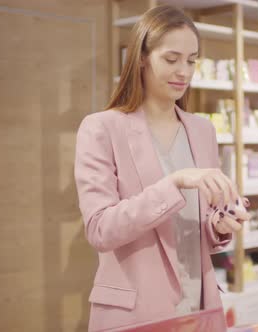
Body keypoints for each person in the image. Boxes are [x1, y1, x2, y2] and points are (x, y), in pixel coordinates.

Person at [74, 5, 249, 331]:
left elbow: (200, 228)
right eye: (171, 59)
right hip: (136, 313)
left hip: (199, 307)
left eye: (192, 60)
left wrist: (221, 225)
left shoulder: (202, 131)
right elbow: (101, 229)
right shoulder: (101, 128)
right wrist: (175, 182)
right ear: (141, 57)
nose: (184, 71)